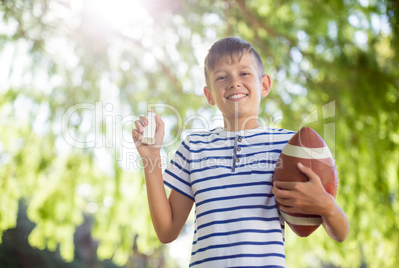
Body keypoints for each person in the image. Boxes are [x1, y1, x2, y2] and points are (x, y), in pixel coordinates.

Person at [132, 37, 349, 267]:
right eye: (222, 77)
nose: (234, 82)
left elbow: (340, 232)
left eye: (244, 73)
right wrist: (151, 158)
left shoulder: (289, 146)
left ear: (264, 85)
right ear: (209, 95)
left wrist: (326, 205)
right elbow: (167, 231)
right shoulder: (194, 147)